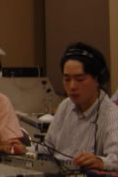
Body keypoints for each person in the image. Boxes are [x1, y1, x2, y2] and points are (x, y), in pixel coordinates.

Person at [40, 42, 118, 170]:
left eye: (80, 79)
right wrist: (24, 149)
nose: (72, 86)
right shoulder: (65, 106)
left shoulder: (112, 115)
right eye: (67, 79)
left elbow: (116, 158)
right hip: (57, 176)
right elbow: (47, 148)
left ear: (98, 79)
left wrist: (100, 161)